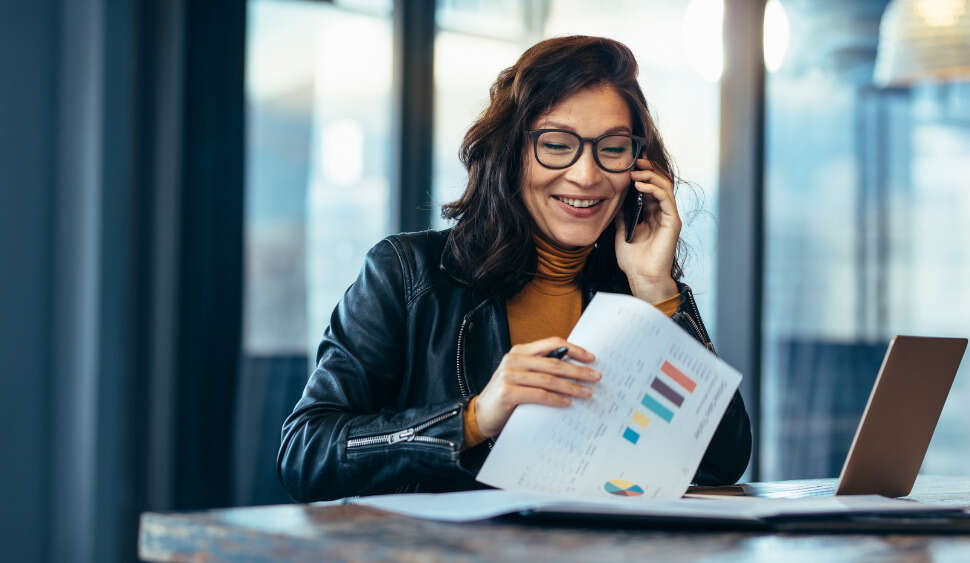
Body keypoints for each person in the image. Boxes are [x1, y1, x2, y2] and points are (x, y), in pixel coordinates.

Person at [278, 35, 751, 502]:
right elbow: (306, 452)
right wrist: (474, 418)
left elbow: (720, 461)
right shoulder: (409, 273)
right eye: (557, 144)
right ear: (510, 153)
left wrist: (656, 291)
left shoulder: (635, 286)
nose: (586, 175)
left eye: (612, 148)